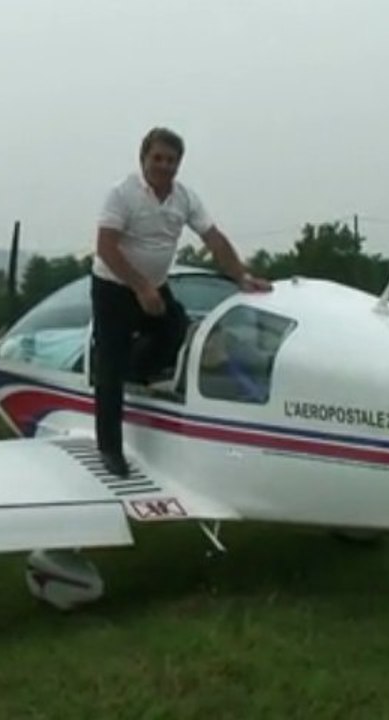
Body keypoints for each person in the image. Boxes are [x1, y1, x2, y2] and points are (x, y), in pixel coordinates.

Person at [91, 127, 271, 477]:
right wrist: (141, 288)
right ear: (143, 158)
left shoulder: (184, 198)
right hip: (114, 287)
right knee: (109, 367)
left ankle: (136, 370)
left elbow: (213, 238)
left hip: (155, 285)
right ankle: (110, 449)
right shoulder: (122, 194)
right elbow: (106, 247)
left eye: (171, 160)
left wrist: (241, 277)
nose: (163, 166)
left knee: (175, 330)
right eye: (157, 158)